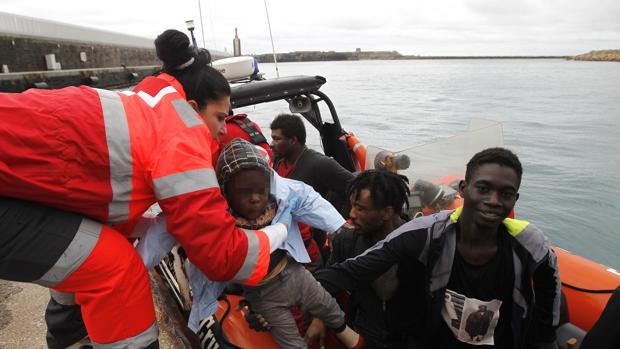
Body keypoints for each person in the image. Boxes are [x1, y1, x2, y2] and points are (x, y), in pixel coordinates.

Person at [0, 29, 287, 349]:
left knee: (95, 244)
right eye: (220, 118)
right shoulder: (182, 135)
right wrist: (278, 234)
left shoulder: (147, 103)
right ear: (193, 106)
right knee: (116, 272)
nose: (223, 131)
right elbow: (222, 256)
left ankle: (72, 336)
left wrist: (147, 223)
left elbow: (77, 182)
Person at [314, 147, 562, 349]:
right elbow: (352, 270)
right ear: (463, 189)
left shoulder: (530, 243)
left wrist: (546, 339)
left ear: (515, 199)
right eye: (484, 189)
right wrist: (294, 284)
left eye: (506, 193)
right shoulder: (427, 234)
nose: (494, 201)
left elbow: (548, 290)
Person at [139, 139, 363, 349]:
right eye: (245, 192)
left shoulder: (283, 195)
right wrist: (137, 267)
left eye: (261, 190)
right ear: (225, 192)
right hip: (263, 294)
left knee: (330, 309)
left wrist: (339, 226)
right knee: (290, 340)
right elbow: (171, 224)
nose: (255, 198)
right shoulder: (212, 214)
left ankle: (353, 340)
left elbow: (307, 198)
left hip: (296, 273)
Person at [305, 169, 416, 349]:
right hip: (364, 333)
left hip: (408, 337)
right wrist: (319, 318)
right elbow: (330, 284)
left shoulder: (419, 242)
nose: (352, 215)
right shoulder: (346, 241)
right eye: (352, 206)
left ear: (387, 212)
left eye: (360, 208)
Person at [270, 113, 355, 267]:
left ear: (293, 140)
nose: (271, 144)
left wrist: (339, 223)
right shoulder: (278, 160)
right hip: (285, 237)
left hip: (310, 245)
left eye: (277, 139)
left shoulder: (319, 164)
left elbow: (355, 187)